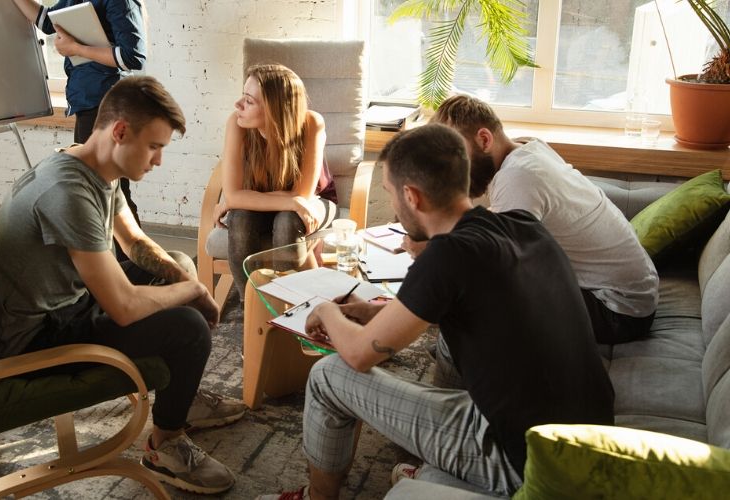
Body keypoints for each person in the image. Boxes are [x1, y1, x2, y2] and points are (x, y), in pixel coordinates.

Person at [258, 124, 615, 500]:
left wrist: (328, 311)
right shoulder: (522, 226)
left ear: (411, 196)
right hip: (584, 438)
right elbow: (453, 299)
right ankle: (439, 470)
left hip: (525, 463)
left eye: (390, 194)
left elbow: (361, 355)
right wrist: (367, 310)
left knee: (329, 375)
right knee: (448, 349)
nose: (393, 204)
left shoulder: (447, 257)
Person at [0, 76, 245, 495]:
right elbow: (123, 306)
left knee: (174, 265)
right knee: (188, 326)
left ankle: (182, 392)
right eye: (155, 146)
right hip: (37, 338)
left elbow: (135, 242)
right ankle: (165, 445)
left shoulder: (98, 170)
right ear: (121, 131)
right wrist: (195, 292)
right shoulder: (67, 191)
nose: (159, 160)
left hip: (67, 305)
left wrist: (182, 276)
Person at [424, 94, 659, 347]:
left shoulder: (518, 176)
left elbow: (498, 268)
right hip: (637, 295)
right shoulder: (529, 147)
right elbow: (503, 225)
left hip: (617, 311)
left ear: (484, 139)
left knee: (473, 293)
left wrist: (433, 249)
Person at [11, 0, 145, 258]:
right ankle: (127, 269)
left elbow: (132, 56)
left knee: (110, 194)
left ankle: (132, 269)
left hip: (109, 105)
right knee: (102, 193)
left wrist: (76, 48)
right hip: (88, 105)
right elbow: (46, 20)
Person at [212, 64, 338, 296]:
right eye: (243, 96)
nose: (238, 105)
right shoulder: (237, 124)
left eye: (249, 101)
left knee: (287, 221)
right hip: (278, 205)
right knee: (239, 218)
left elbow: (303, 197)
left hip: (316, 202)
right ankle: (250, 304)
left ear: (274, 109)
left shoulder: (311, 123)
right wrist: (236, 200)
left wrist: (239, 199)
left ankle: (288, 302)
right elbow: (235, 195)